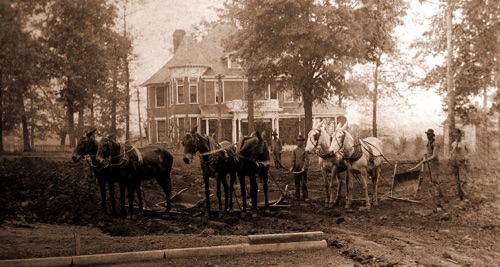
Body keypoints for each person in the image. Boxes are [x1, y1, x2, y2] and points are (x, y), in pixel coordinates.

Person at [422, 128, 443, 198]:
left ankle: (438, 194)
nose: (428, 136)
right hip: (429, 162)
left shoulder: (435, 143)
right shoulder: (428, 143)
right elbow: (428, 152)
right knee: (431, 179)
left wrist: (427, 160)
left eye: (429, 134)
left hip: (434, 163)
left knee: (435, 179)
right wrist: (425, 156)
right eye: (427, 134)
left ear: (432, 135)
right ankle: (438, 194)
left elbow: (434, 155)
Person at [449, 129, 469, 200]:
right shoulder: (453, 144)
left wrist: (465, 158)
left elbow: (469, 152)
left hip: (462, 162)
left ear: (460, 135)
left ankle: (465, 196)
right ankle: (459, 196)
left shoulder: (464, 143)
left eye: (457, 134)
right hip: (454, 162)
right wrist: (450, 159)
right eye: (455, 135)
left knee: (463, 179)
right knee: (456, 179)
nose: (456, 136)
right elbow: (452, 153)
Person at [290, 134, 309, 201]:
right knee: (297, 183)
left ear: (303, 142)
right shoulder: (294, 151)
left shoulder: (305, 150)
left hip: (303, 170)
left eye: (300, 141)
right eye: (298, 141)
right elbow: (293, 159)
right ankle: (297, 196)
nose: (299, 142)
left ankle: (305, 196)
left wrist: (304, 168)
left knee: (304, 183)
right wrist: (292, 167)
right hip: (296, 169)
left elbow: (306, 160)